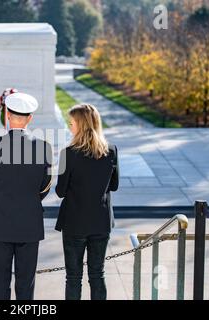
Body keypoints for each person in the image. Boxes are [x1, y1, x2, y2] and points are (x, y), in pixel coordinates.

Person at [0, 92, 53, 300]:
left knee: (0, 283)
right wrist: (28, 200)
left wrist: (1, 201)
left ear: (8, 115)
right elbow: (45, 186)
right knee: (26, 283)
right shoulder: (43, 147)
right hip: (29, 223)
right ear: (30, 118)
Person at [55, 104, 119, 300]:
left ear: (81, 125)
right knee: (97, 275)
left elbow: (60, 191)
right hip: (100, 222)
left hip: (75, 223)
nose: (69, 126)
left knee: (73, 277)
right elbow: (114, 186)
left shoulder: (69, 153)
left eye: (72, 123)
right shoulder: (111, 151)